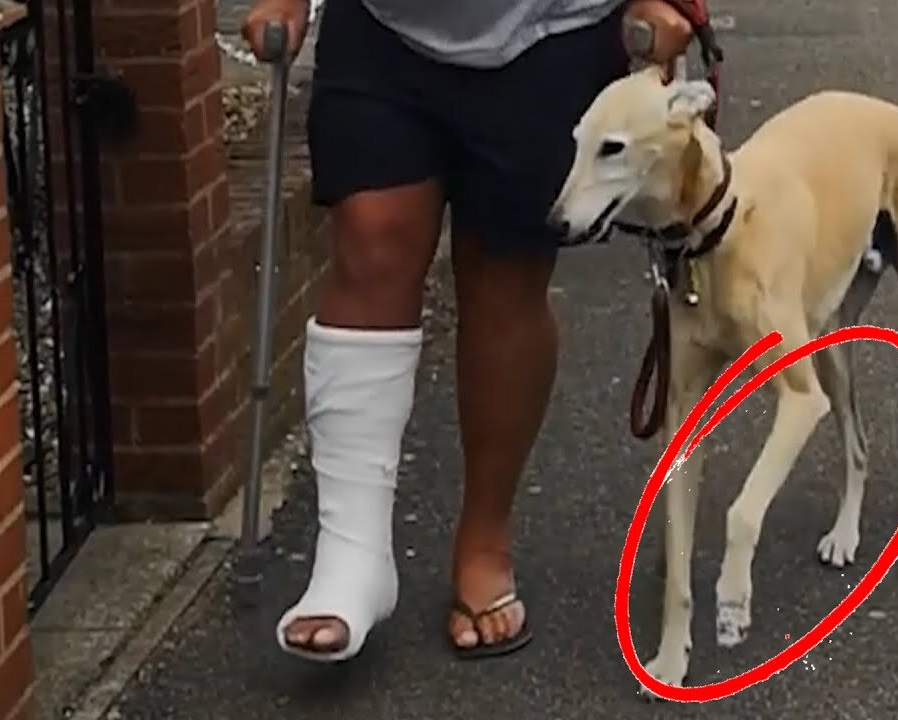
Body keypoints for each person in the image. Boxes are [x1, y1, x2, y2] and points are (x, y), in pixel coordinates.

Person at [240, 0, 629, 662]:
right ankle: (351, 557)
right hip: (383, 24)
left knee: (506, 274)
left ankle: (483, 542)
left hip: (552, 34)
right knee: (371, 242)